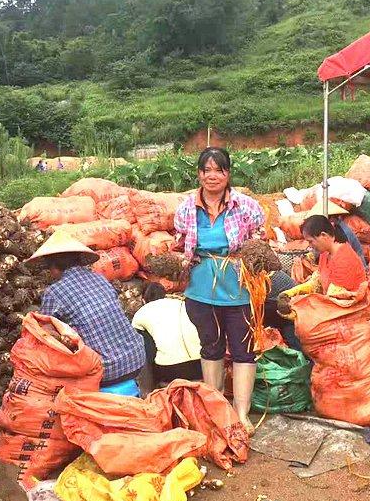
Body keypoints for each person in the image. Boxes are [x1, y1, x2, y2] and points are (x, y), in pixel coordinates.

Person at [174, 147, 265, 434]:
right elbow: (179, 243)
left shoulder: (247, 206)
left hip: (239, 288)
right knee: (211, 348)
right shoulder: (186, 207)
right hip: (201, 289)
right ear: (199, 174)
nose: (213, 175)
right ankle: (214, 409)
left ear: (228, 173)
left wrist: (255, 253)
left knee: (243, 350)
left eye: (219, 169)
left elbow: (260, 237)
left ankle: (241, 413)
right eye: (207, 170)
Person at [29, 230, 146, 393]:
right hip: (137, 357)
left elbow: (45, 333)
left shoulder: (54, 292)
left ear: (54, 268)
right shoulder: (100, 278)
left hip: (107, 370)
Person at [131, 283, 202, 392]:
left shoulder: (141, 313)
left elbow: (145, 352)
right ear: (165, 295)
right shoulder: (181, 303)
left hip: (170, 371)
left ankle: (147, 394)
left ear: (144, 300)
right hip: (201, 366)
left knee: (139, 346)